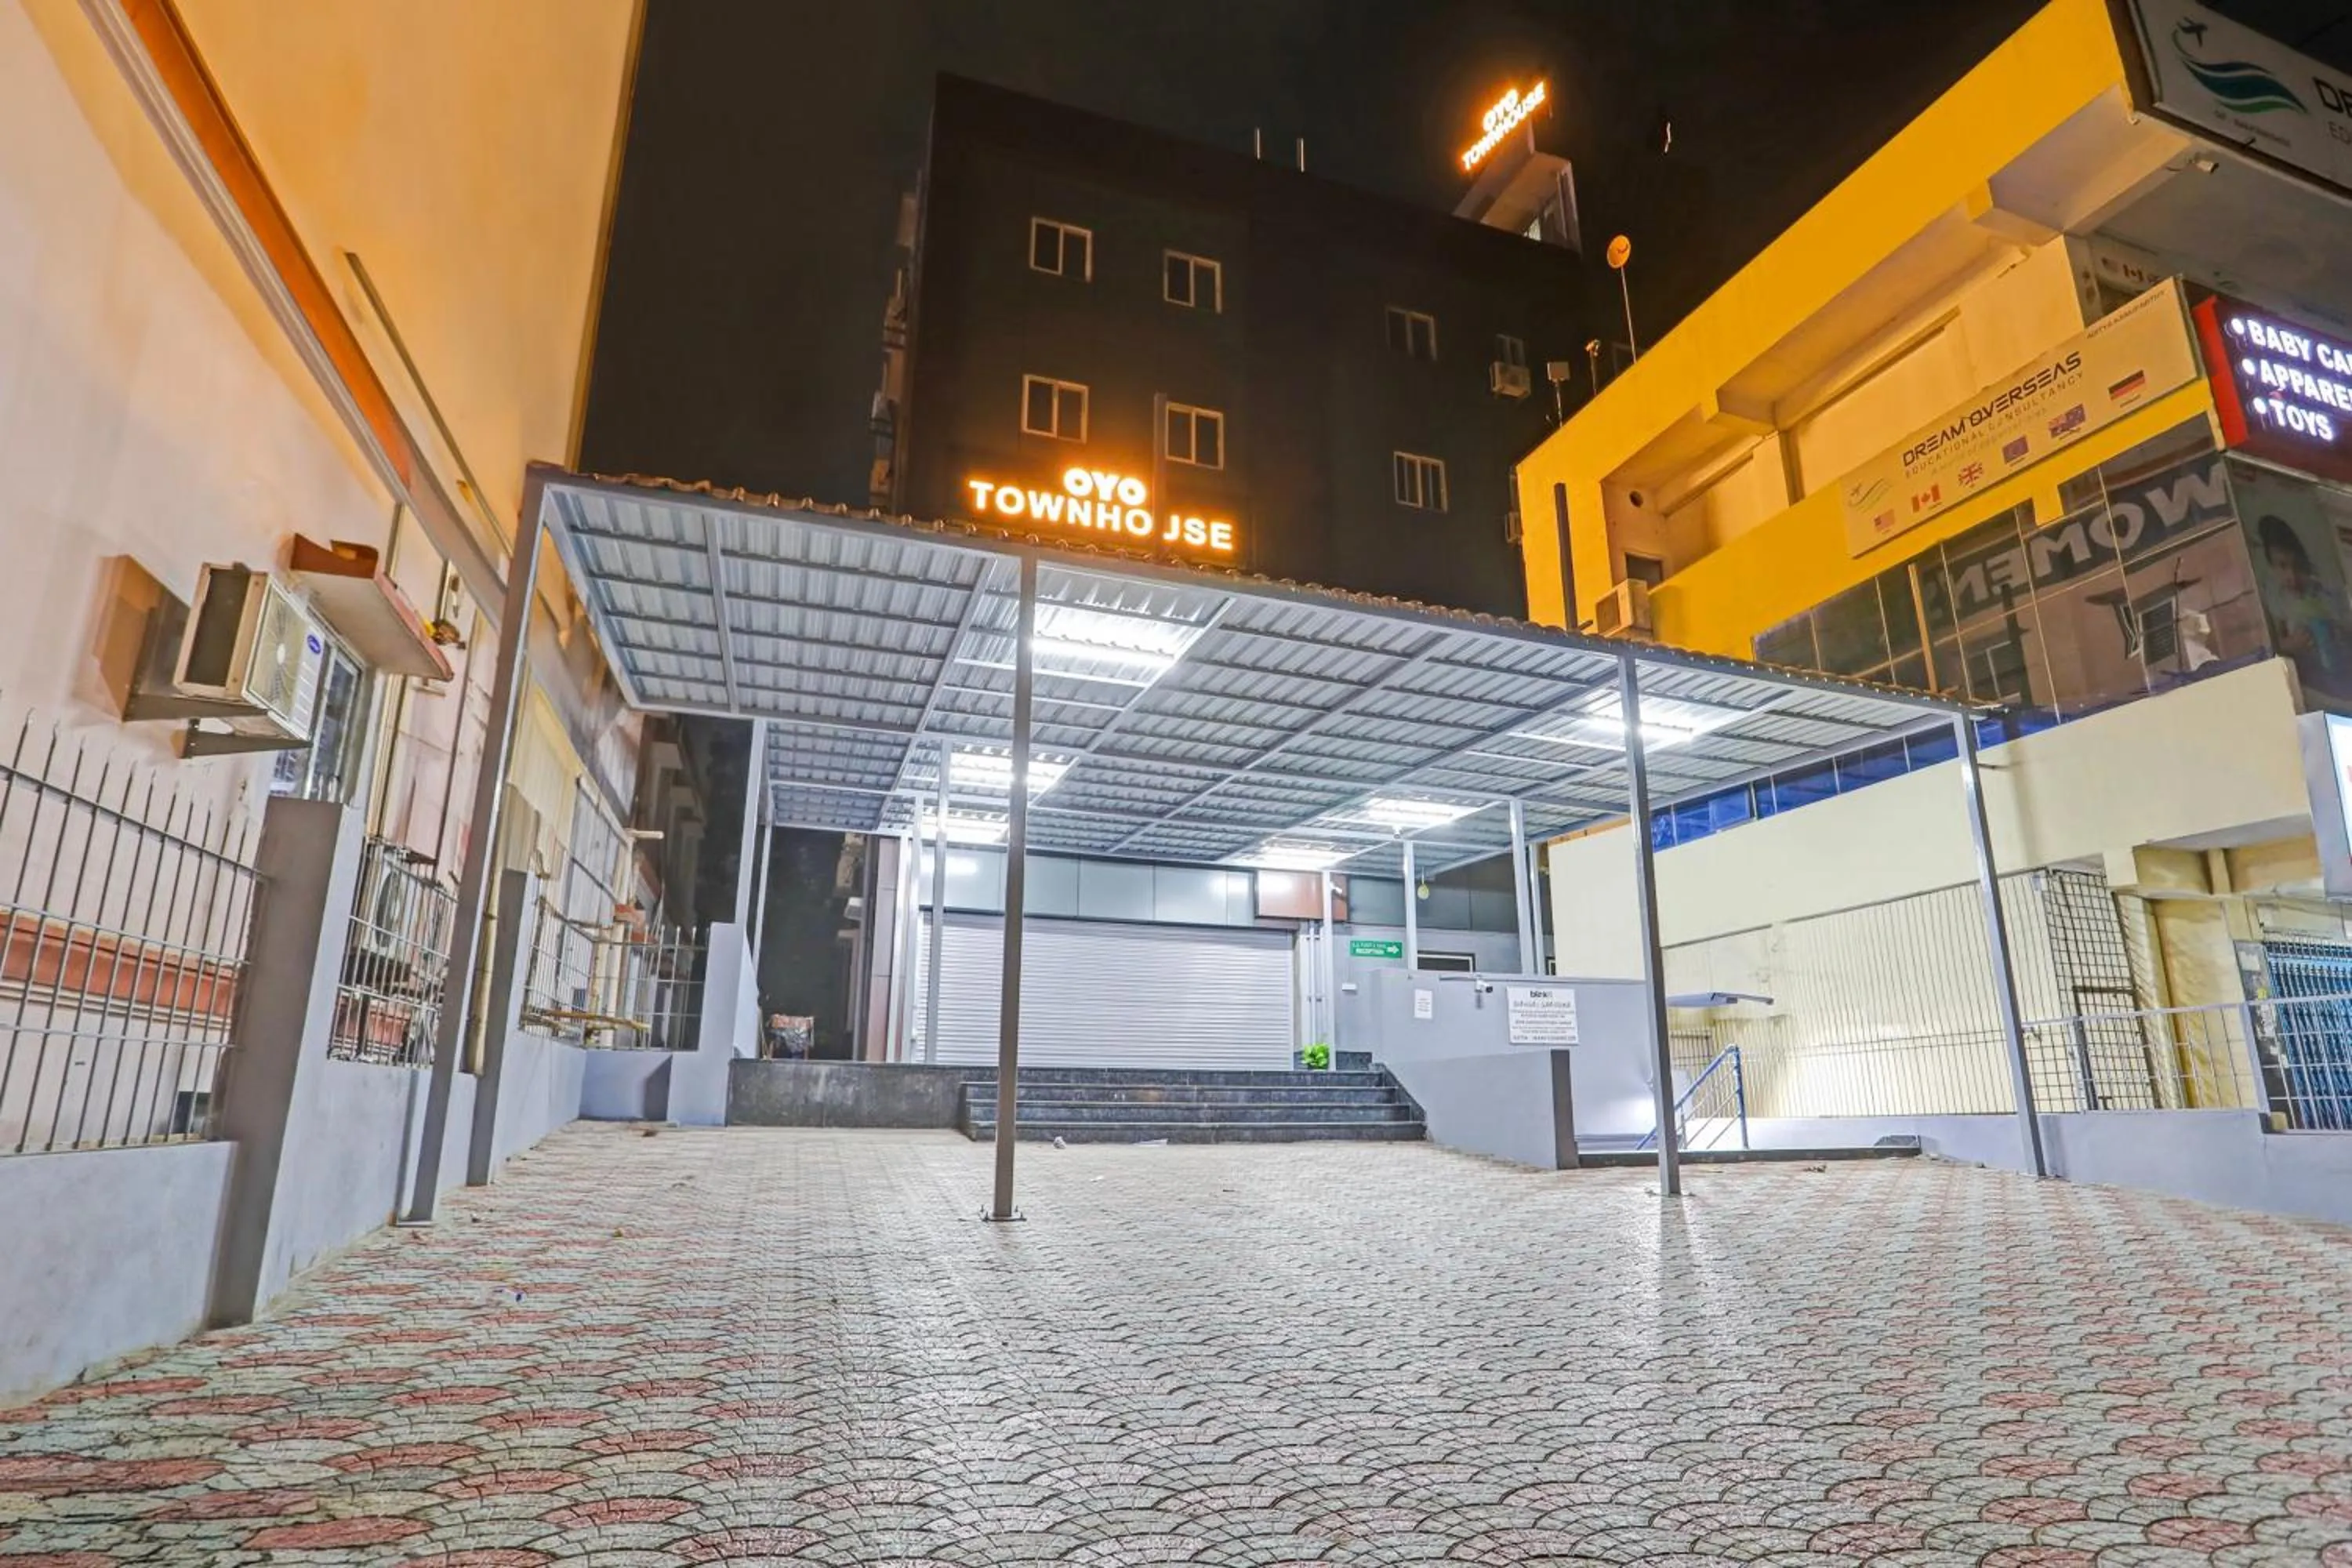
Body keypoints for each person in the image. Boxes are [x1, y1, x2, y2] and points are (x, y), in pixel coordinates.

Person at [2256, 514, 2352, 702]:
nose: (2291, 575)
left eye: (2297, 566)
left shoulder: (2323, 592)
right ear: (2272, 566)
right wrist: (2290, 644)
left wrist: (2342, 633)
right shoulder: (2275, 599)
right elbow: (2267, 651)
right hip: (2311, 688)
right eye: (2282, 566)